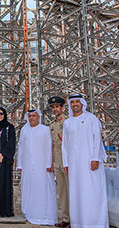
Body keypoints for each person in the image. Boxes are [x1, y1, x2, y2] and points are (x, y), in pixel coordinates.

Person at [62, 94, 108, 228]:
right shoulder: (67, 123)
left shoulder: (91, 119)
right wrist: (66, 163)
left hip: (90, 163)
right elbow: (64, 145)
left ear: (82, 103)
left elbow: (97, 140)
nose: (75, 104)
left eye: (77, 102)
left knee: (93, 192)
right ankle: (78, 223)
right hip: (74, 165)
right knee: (77, 193)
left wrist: (95, 158)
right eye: (72, 102)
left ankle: (96, 223)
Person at [16, 109, 57, 226]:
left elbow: (50, 147)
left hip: (43, 166)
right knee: (28, 189)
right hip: (27, 166)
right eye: (30, 116)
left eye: (34, 116)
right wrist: (19, 164)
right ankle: (29, 213)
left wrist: (50, 163)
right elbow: (21, 148)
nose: (32, 118)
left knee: (43, 190)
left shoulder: (45, 130)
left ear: (38, 117)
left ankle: (45, 216)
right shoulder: (24, 130)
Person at [48, 95, 70, 227]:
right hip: (57, 160)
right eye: (53, 107)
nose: (55, 109)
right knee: (61, 190)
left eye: (57, 107)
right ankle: (65, 218)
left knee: (71, 189)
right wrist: (51, 162)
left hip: (67, 159)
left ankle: (75, 218)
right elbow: (52, 144)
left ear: (62, 107)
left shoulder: (68, 121)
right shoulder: (52, 124)